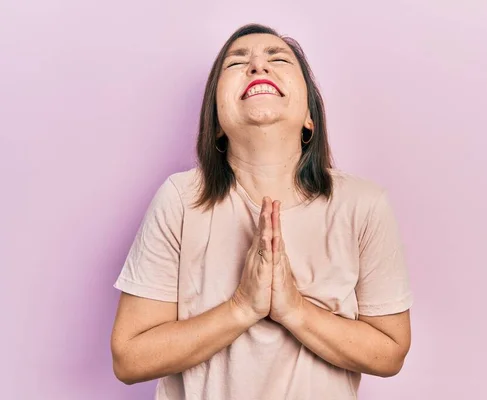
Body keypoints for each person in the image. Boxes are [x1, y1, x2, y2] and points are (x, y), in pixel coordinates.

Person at [110, 23, 413, 400]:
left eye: (278, 59)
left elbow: (391, 352)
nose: (257, 67)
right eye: (237, 63)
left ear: (309, 119)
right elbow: (128, 358)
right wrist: (242, 307)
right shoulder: (180, 200)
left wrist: (294, 309)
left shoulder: (363, 205)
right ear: (216, 124)